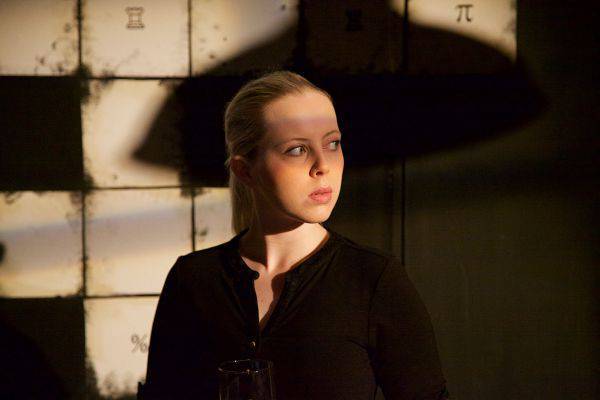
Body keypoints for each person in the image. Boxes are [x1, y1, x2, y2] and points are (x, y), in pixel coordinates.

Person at [140, 70, 449, 399]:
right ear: (245, 170)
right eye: (297, 150)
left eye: (332, 144)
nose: (323, 165)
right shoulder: (193, 280)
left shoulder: (373, 280)